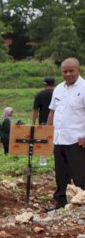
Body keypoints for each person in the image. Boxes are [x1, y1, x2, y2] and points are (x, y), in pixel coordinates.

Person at [47, 58, 85, 210]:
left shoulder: (83, 88)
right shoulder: (58, 89)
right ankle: (61, 203)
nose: (68, 74)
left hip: (77, 140)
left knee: (80, 174)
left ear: (79, 70)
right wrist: (47, 134)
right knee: (61, 174)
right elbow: (52, 112)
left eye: (71, 71)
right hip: (59, 139)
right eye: (65, 71)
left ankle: (81, 204)